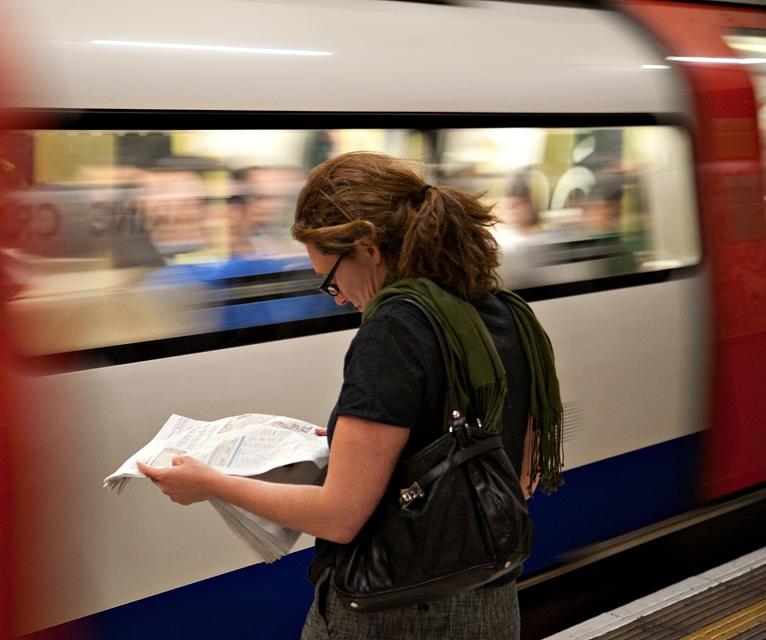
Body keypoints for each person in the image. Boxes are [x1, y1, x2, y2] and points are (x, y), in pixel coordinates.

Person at [139, 151, 563, 639]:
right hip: (490, 604)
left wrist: (211, 484)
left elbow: (339, 518)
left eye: (331, 278)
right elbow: (521, 475)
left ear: (368, 248)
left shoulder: (395, 330)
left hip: (397, 613)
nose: (338, 297)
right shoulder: (505, 313)